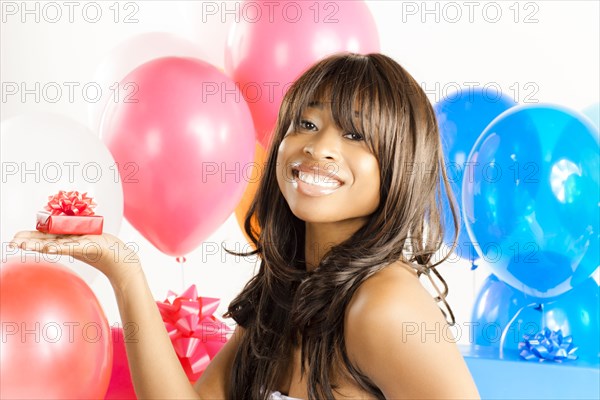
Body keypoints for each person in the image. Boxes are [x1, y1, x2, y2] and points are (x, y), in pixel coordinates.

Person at [10, 52, 480, 400]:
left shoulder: (382, 305)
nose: (319, 148)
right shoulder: (288, 291)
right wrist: (123, 267)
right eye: (306, 124)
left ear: (400, 165)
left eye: (354, 134)